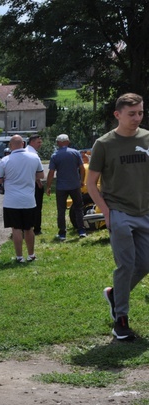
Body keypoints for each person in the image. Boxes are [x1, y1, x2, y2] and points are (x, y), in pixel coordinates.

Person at [87, 92, 149, 341]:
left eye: (141, 113)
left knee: (145, 264)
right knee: (126, 265)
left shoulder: (147, 138)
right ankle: (121, 320)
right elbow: (91, 183)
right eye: (131, 113)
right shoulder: (104, 144)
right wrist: (107, 212)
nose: (137, 118)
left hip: (145, 211)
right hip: (119, 211)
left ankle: (114, 295)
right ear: (118, 115)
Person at [0, 134, 44, 262]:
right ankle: (31, 255)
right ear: (23, 144)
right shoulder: (34, 158)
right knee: (29, 228)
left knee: (16, 229)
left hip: (11, 201)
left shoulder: (5, 160)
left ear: (11, 146)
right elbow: (40, 175)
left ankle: (19, 257)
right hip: (29, 200)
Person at [45, 134, 87, 240]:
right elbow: (82, 168)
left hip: (61, 187)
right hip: (74, 185)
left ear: (58, 143)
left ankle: (62, 233)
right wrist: (81, 180)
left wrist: (48, 186)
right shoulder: (75, 153)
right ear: (68, 142)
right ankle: (81, 230)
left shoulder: (55, 155)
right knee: (78, 208)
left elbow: (51, 173)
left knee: (61, 210)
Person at [26, 135, 45, 234]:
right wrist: (38, 181)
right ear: (32, 142)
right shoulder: (33, 155)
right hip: (33, 185)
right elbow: (39, 174)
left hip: (27, 184)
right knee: (36, 206)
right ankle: (36, 228)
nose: (40, 144)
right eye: (38, 142)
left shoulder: (26, 152)